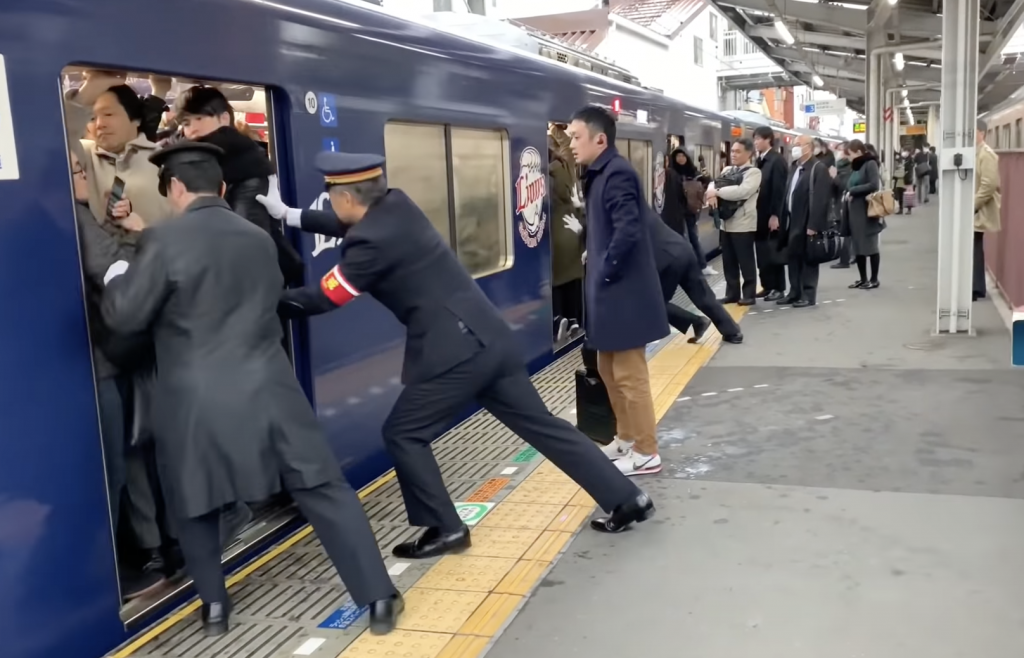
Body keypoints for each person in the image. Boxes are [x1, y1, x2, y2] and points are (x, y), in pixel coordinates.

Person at [258, 151, 655, 556]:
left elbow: (327, 297)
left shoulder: (368, 244)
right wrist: (289, 215)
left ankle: (446, 528)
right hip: (490, 338)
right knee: (544, 427)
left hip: (455, 352)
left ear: (345, 198)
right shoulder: (398, 205)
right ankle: (627, 498)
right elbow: (350, 226)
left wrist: (253, 298)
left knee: (404, 433)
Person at [101, 141, 403, 637]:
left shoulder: (163, 243)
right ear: (220, 188)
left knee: (194, 501)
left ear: (174, 188)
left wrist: (117, 275)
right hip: (270, 386)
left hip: (195, 399)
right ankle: (379, 596)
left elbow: (127, 317)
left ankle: (215, 610)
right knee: (322, 488)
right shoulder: (257, 236)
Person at [568, 105, 669, 476]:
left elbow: (628, 231)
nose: (571, 145)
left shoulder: (618, 173)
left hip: (622, 292)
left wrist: (604, 270)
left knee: (629, 374)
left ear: (599, 138)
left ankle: (647, 450)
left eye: (576, 137)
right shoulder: (599, 173)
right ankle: (626, 438)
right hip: (608, 291)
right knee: (608, 369)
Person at [175, 85, 304, 285]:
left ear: (224, 119)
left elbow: (250, 243)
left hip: (241, 281)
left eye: (199, 118)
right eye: (185, 122)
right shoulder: (195, 160)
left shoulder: (246, 165)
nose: (192, 128)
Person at [647, 210, 743, 343]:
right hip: (684, 249)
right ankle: (732, 332)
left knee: (652, 302)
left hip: (667, 260)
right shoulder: (642, 209)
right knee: (703, 295)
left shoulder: (623, 213)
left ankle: (697, 322)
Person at [780, 135, 833, 307]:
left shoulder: (819, 169)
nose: (794, 148)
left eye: (798, 145)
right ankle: (794, 292)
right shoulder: (794, 167)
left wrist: (813, 225)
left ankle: (808, 294)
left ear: (809, 148)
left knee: (808, 259)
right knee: (793, 257)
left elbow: (821, 199)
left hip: (806, 220)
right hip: (791, 220)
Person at [707, 138, 762, 306]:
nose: (734, 154)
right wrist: (712, 189)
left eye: (738, 151)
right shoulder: (728, 169)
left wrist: (716, 191)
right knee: (728, 261)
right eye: (732, 151)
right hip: (726, 222)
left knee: (745, 260)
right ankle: (732, 293)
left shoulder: (754, 173)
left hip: (744, 223)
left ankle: (749, 294)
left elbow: (741, 192)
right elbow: (713, 182)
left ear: (749, 153)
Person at [662, 149, 713, 276]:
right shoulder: (671, 172)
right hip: (676, 210)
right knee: (680, 238)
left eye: (683, 156)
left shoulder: (694, 172)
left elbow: (707, 182)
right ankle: (685, 267)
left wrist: (705, 173)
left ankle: (702, 265)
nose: (680, 158)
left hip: (690, 210)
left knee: (693, 237)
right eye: (678, 156)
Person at [752, 126, 788, 301]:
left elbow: (779, 191)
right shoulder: (760, 160)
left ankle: (778, 287)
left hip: (770, 216)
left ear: (768, 140)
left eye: (758, 139)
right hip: (759, 215)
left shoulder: (777, 161)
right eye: (755, 139)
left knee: (773, 252)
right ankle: (766, 285)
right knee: (762, 253)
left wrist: (775, 215)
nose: (755, 142)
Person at [842, 139, 883, 289]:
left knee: (870, 246)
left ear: (859, 152)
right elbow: (850, 183)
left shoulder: (870, 164)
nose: (849, 158)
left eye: (851, 154)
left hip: (867, 211)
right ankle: (863, 278)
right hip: (855, 211)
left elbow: (873, 185)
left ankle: (874, 278)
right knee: (858, 245)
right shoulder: (856, 166)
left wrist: (853, 191)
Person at [973, 118, 1001, 301]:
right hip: (976, 210)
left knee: (974, 247)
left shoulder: (986, 154)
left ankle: (975, 288)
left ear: (981, 133)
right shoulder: (977, 153)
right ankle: (976, 286)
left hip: (978, 210)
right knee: (974, 248)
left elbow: (989, 184)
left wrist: (972, 205)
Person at [830, 142, 854, 269]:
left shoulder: (849, 168)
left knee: (845, 232)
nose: (838, 152)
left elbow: (845, 186)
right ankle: (846, 257)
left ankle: (845, 259)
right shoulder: (837, 166)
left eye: (841, 150)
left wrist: (834, 177)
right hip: (837, 203)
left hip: (844, 203)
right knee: (841, 230)